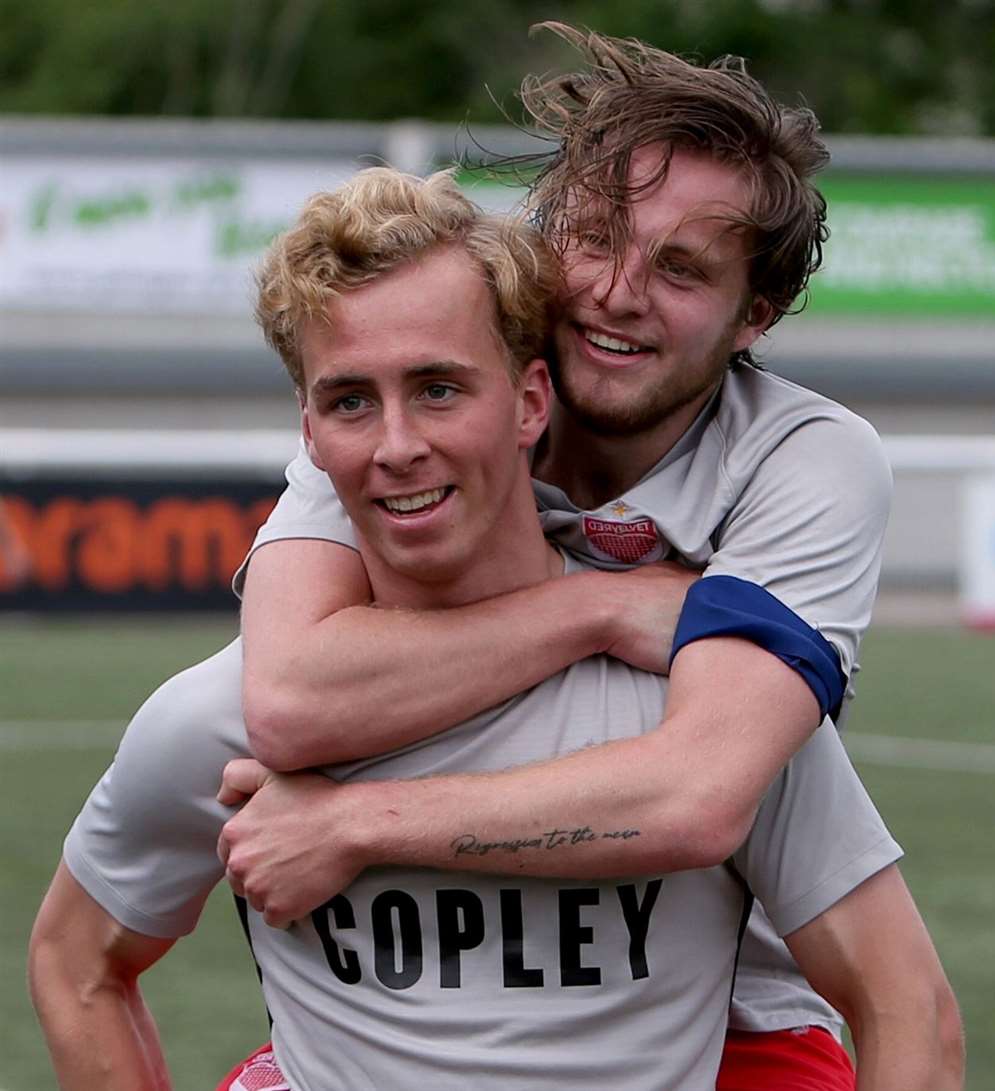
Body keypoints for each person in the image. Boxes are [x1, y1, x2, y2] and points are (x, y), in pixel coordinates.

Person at [30, 168, 961, 1091]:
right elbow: (75, 964)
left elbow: (906, 1004)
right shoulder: (215, 720)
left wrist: (353, 827)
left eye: (439, 389)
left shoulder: (710, 699)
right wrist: (597, 607)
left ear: (530, 404)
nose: (398, 445)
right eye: (351, 400)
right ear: (308, 434)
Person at [227, 25, 949, 1090]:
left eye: (682, 268)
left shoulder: (806, 459)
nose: (617, 290)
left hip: (713, 995)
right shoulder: (426, 400)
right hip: (441, 973)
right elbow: (290, 698)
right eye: (597, 236)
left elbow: (698, 796)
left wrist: (351, 822)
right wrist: (605, 611)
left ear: (758, 313)